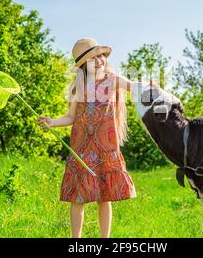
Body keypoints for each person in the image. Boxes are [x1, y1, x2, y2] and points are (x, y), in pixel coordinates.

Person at [38, 37, 136, 238]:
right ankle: (76, 240)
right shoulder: (77, 87)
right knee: (78, 198)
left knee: (104, 197)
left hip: (106, 148)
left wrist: (153, 92)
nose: (99, 60)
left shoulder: (113, 80)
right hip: (81, 148)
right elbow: (70, 117)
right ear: (83, 65)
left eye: (101, 55)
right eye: (93, 58)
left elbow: (134, 86)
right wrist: (52, 122)